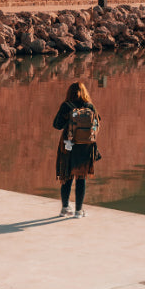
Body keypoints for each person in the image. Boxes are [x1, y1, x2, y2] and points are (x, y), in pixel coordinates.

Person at [53, 81, 102, 218]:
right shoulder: (90, 107)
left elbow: (57, 125)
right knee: (81, 178)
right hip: (85, 147)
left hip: (68, 146)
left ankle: (65, 208)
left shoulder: (66, 106)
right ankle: (79, 211)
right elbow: (97, 123)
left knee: (66, 176)